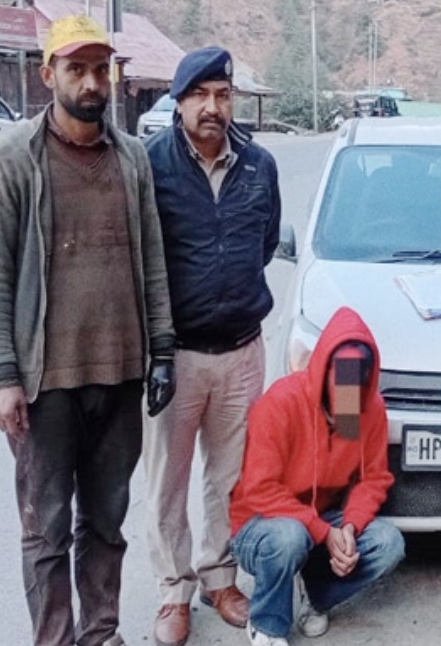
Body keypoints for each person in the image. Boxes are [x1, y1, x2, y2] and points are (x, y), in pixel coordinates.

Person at [0, 14, 176, 646]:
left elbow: (152, 257)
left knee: (105, 522)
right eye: (76, 68)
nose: (91, 82)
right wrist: (5, 375)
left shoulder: (131, 158)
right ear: (50, 75)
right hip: (45, 382)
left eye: (101, 69)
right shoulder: (16, 158)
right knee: (45, 530)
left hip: (121, 375)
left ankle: (100, 634)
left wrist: (162, 350)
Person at [142, 46, 281, 646]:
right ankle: (173, 590)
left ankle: (218, 578)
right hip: (174, 355)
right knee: (167, 481)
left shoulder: (259, 165)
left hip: (242, 351)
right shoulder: (151, 165)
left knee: (229, 475)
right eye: (199, 95)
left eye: (222, 95)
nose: (212, 107)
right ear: (178, 102)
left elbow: (265, 243)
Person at [229, 307, 404, 646]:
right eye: (342, 386)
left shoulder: (367, 408)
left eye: (357, 387)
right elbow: (260, 490)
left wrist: (349, 528)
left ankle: (316, 594)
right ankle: (267, 625)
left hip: (322, 519)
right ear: (323, 372)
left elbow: (372, 478)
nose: (348, 402)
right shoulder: (281, 403)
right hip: (260, 522)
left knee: (388, 543)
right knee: (289, 537)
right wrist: (323, 532)